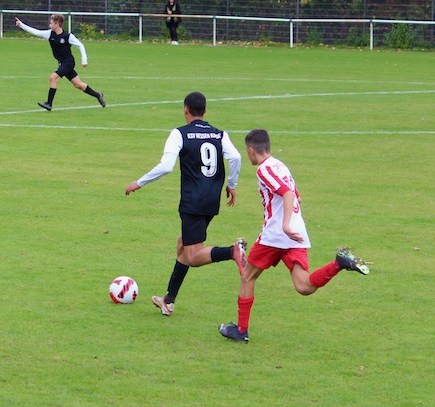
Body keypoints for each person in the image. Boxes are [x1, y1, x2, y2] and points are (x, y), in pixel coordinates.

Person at [218, 129, 369, 343]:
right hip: (296, 232)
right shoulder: (281, 166)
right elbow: (297, 197)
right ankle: (339, 263)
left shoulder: (264, 169)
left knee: (247, 277)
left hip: (277, 233)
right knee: (304, 286)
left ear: (251, 150)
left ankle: (241, 331)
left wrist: (285, 224)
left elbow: (288, 194)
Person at [125, 92, 246, 317]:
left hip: (192, 201)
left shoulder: (179, 134)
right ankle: (168, 301)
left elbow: (166, 166)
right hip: (212, 199)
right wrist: (232, 184)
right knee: (183, 243)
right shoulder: (220, 134)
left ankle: (232, 251)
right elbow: (236, 157)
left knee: (193, 256)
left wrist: (139, 182)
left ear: (185, 109)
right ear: (205, 111)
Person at [14, 14, 106, 111]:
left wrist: (84, 60)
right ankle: (98, 95)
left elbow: (80, 45)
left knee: (53, 78)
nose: (49, 25)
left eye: (51, 23)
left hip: (68, 62)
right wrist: (21, 25)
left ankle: (49, 104)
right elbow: (36, 31)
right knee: (78, 85)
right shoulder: (49, 34)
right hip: (62, 63)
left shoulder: (68, 36)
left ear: (57, 24)